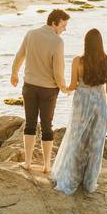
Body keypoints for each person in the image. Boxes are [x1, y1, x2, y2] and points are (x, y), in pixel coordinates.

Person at [51, 28, 107, 195]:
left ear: (86, 42)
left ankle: (70, 177)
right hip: (100, 105)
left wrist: (63, 88)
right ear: (101, 43)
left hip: (81, 104)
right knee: (95, 145)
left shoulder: (78, 61)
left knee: (76, 140)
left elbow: (73, 86)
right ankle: (89, 182)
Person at [11, 9, 70, 172]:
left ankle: (28, 163)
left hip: (29, 86)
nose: (64, 30)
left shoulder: (31, 34)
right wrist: (64, 87)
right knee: (46, 126)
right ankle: (46, 166)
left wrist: (14, 73)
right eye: (63, 26)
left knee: (29, 124)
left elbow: (19, 55)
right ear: (54, 23)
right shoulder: (57, 42)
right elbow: (58, 71)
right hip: (48, 90)